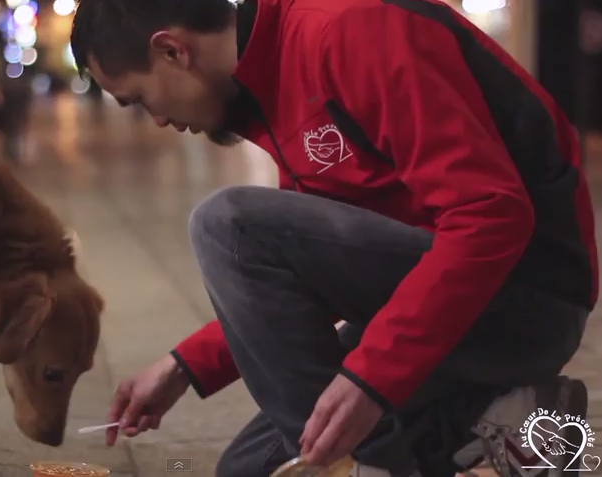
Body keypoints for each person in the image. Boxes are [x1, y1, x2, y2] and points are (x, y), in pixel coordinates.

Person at [70, 0, 597, 475]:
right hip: (441, 306)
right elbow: (308, 277)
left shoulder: (348, 29)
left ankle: (373, 466)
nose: (157, 120)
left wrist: (372, 380)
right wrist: (185, 365)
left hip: (526, 299)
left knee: (226, 224)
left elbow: (491, 215)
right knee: (249, 470)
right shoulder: (271, 92)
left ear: (172, 51)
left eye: (139, 98)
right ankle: (505, 411)